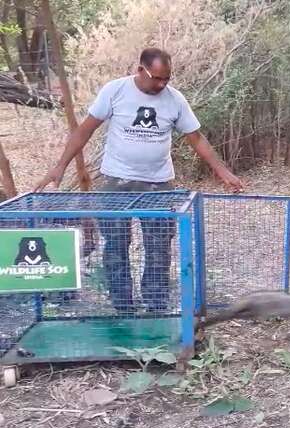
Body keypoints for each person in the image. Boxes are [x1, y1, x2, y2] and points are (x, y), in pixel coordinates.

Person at [34, 48, 243, 315]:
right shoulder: (115, 91)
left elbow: (197, 138)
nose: (162, 84)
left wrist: (223, 172)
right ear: (140, 70)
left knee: (158, 246)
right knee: (116, 245)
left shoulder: (175, 100)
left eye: (167, 78)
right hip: (117, 181)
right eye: (157, 78)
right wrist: (59, 166)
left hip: (158, 183)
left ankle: (155, 306)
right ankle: (123, 307)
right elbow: (85, 129)